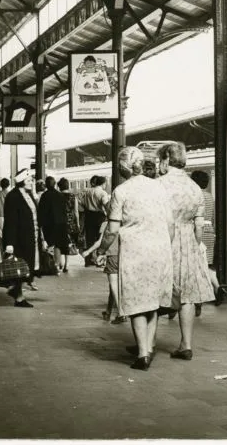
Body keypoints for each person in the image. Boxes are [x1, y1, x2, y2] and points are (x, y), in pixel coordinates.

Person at [96, 146, 173, 371]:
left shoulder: (121, 191)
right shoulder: (159, 187)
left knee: (137, 303)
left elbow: (111, 229)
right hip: (160, 251)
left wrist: (101, 250)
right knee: (153, 302)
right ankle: (149, 348)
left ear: (122, 167)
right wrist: (166, 246)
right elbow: (170, 224)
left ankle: (142, 355)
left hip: (135, 252)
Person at [157, 143, 215, 359]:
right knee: (187, 295)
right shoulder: (194, 188)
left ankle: (147, 344)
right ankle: (186, 345)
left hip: (164, 239)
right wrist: (195, 245)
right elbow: (199, 225)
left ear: (165, 159)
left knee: (158, 291)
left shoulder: (158, 185)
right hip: (189, 241)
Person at [2, 168, 46, 307]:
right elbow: (10, 221)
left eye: (31, 180)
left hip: (30, 237)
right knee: (20, 268)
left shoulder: (28, 195)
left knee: (26, 267)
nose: (32, 182)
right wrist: (9, 243)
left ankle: (15, 291)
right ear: (21, 182)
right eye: (28, 180)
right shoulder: (13, 196)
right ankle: (19, 297)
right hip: (19, 239)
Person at [190, 170, 224, 305]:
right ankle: (217, 287)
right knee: (208, 265)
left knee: (196, 266)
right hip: (210, 232)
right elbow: (214, 216)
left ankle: (199, 298)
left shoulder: (194, 196)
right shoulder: (210, 197)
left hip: (199, 231)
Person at [38, 176, 69, 274]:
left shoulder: (44, 196)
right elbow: (65, 211)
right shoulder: (60, 195)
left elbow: (41, 211)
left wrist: (40, 224)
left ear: (46, 185)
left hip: (49, 224)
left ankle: (51, 265)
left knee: (50, 244)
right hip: (61, 224)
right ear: (55, 184)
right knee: (58, 245)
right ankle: (57, 264)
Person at [81, 175, 110, 266]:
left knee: (89, 238)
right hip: (99, 216)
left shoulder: (87, 192)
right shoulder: (102, 193)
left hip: (88, 216)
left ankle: (88, 261)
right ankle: (98, 260)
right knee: (100, 238)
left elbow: (81, 204)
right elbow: (106, 205)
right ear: (103, 183)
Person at [58, 177, 80, 274]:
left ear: (59, 187)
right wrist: (78, 223)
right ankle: (66, 265)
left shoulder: (57, 196)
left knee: (59, 242)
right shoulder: (73, 196)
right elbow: (76, 211)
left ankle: (60, 263)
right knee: (68, 243)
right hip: (70, 222)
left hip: (59, 221)